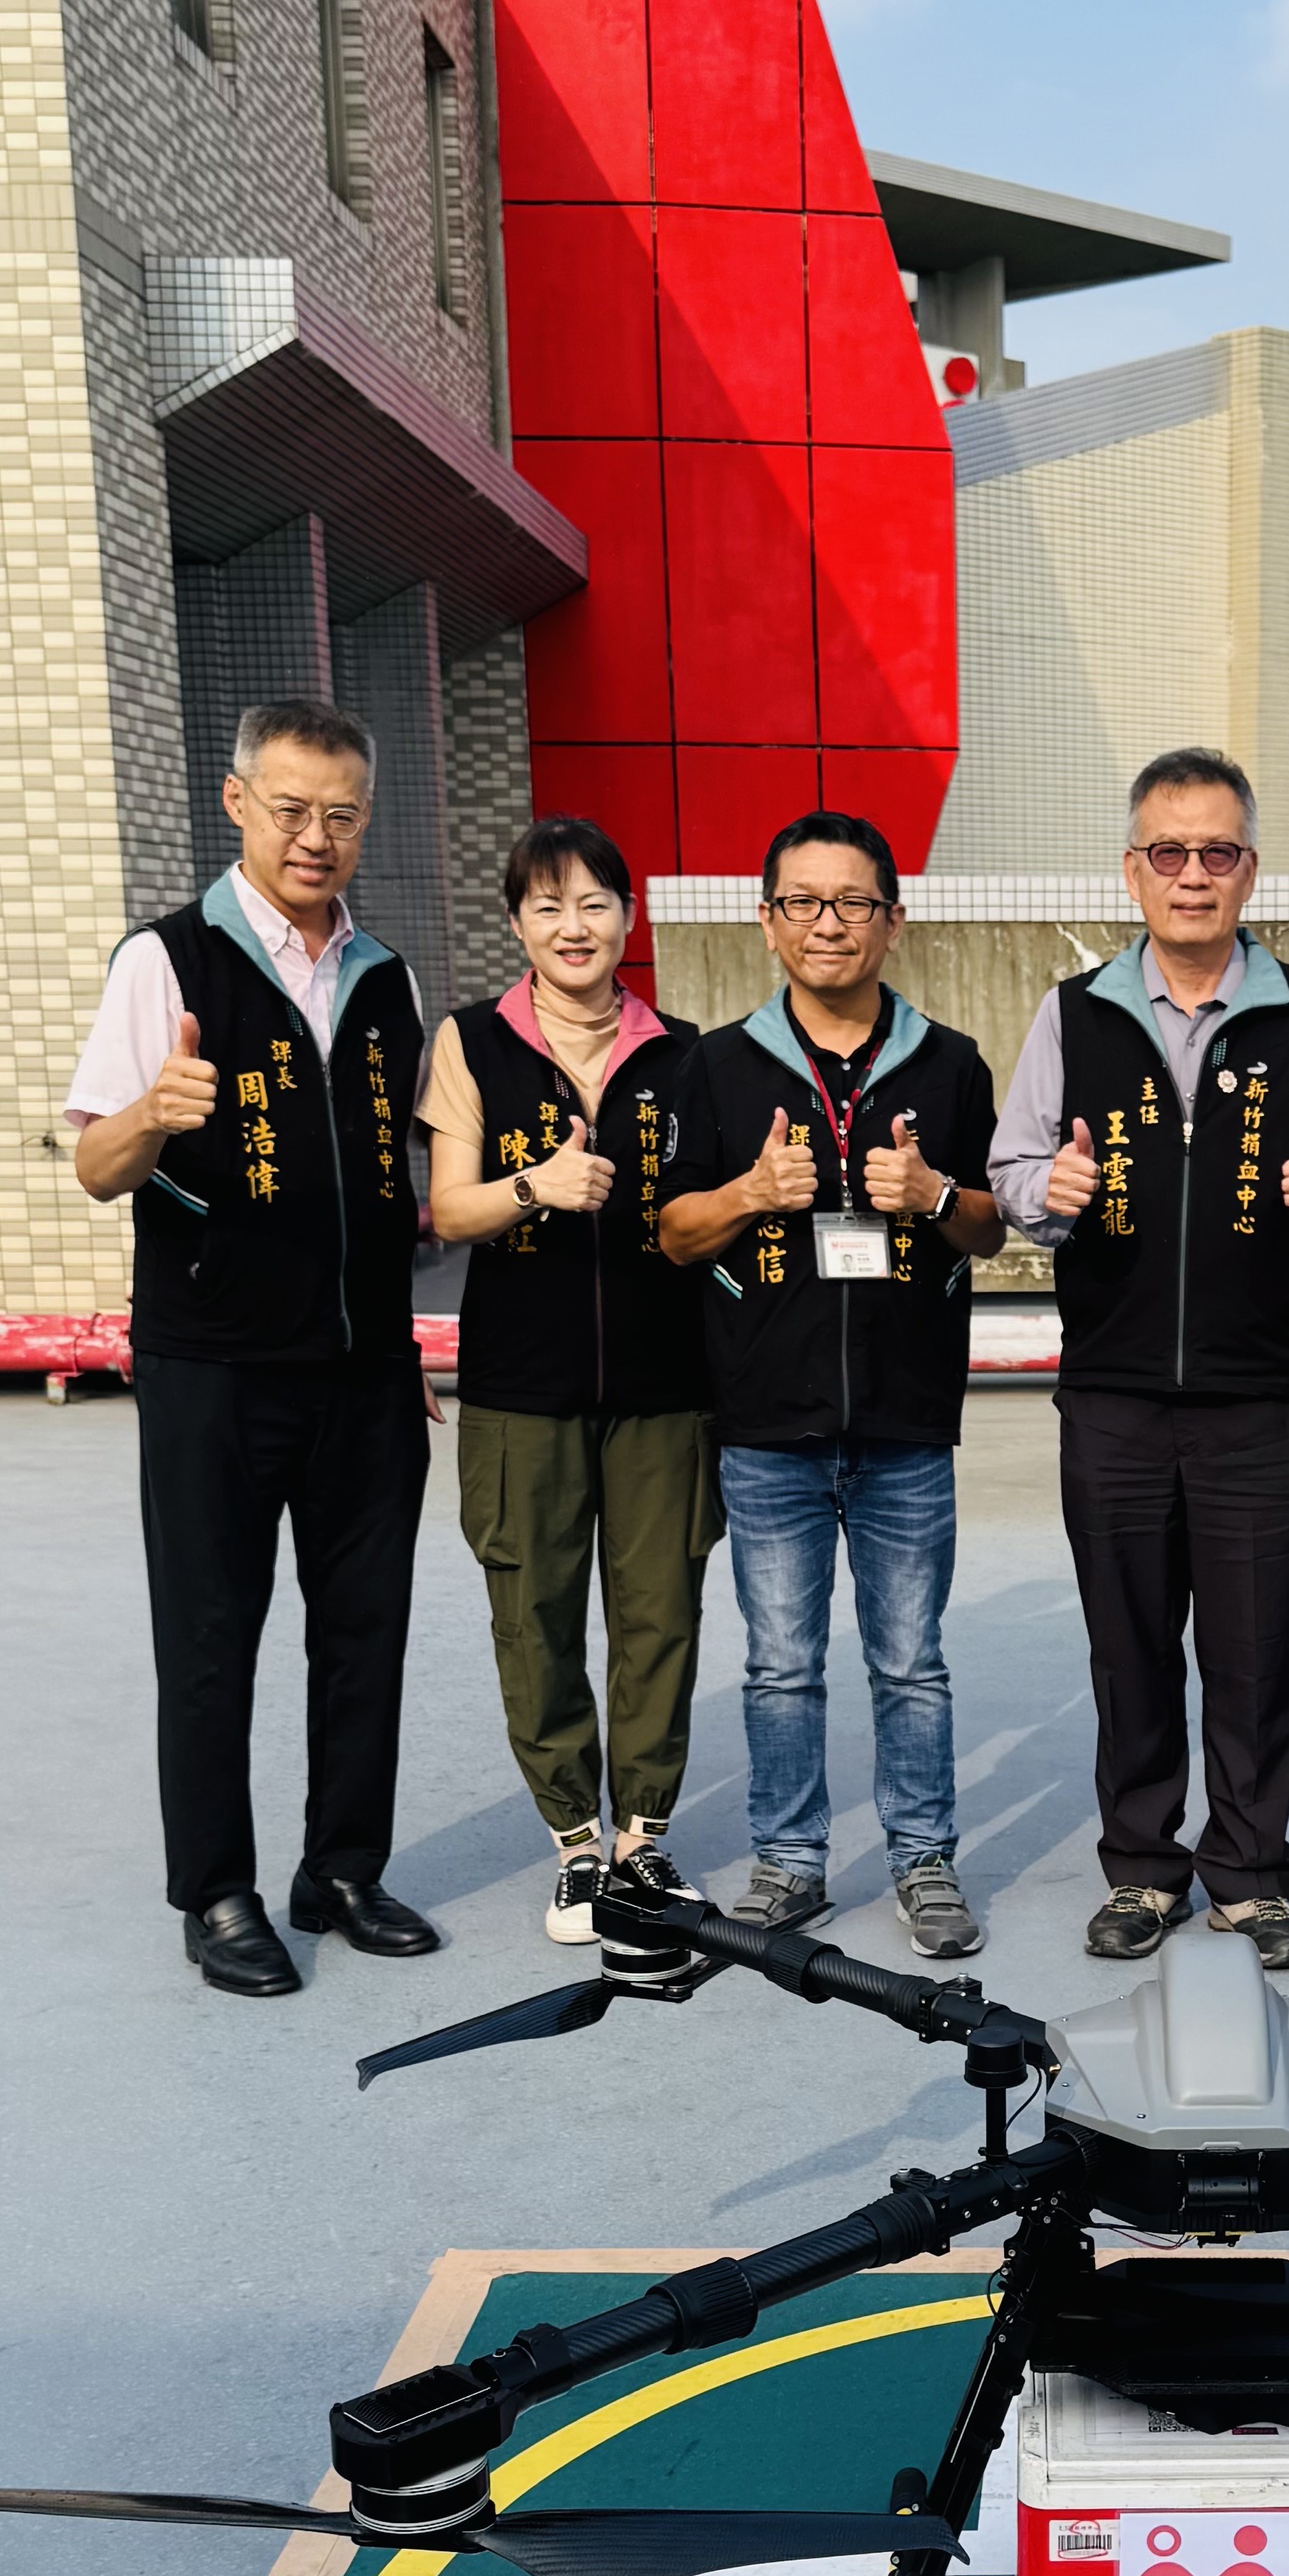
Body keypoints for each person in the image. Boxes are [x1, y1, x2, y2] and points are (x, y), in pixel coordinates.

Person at [986, 748, 1289, 1968]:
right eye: (1169, 852)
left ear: (1250, 870)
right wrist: (1046, 1193)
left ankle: (1252, 1874)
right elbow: (1012, 1171)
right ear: (1133, 870)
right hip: (1110, 1391)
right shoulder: (1072, 1012)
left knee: (1254, 1647)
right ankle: (1145, 1869)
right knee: (1128, 1642)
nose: (1194, 875)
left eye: (1218, 852)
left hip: (1258, 1393)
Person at [64, 695, 442, 1996]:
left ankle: (340, 1869)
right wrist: (154, 1116)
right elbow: (94, 1169)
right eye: (291, 810)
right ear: (237, 804)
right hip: (214, 1369)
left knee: (365, 1631)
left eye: (341, 815)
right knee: (213, 1634)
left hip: (365, 1371)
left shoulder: (385, 977)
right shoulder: (167, 963)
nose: (316, 838)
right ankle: (216, 1890)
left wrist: (398, 1345)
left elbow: (389, 1183)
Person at [656, 812, 1001, 1956]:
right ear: (766, 922)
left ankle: (923, 1860)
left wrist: (935, 1192)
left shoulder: (949, 1063)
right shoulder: (715, 1064)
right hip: (767, 1423)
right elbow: (671, 1233)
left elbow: (991, 1231)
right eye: (802, 901)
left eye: (853, 902)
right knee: (778, 1665)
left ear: (893, 922)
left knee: (911, 1661)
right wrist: (752, 1192)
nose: (828, 924)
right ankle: (791, 1861)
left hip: (906, 1419)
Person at [420, 815, 717, 1957]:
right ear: (516, 924)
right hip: (520, 1389)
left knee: (659, 1617)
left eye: (594, 902)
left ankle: (644, 1837)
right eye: (547, 906)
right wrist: (534, 1185)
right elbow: (450, 1210)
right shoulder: (471, 1043)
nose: (573, 925)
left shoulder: (685, 1052)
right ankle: (575, 1842)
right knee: (534, 1618)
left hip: (664, 1386)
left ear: (628, 918)